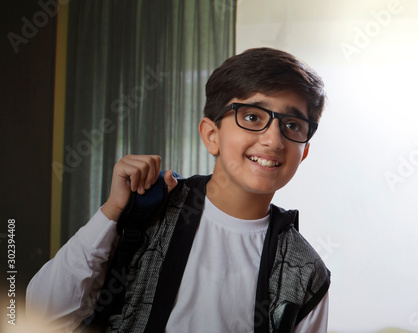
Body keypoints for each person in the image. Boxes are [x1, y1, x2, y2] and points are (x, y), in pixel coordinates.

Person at [27, 47, 330, 333]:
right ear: (212, 135)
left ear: (303, 152)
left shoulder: (306, 272)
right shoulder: (148, 210)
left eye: (292, 125)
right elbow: (44, 314)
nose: (274, 140)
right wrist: (112, 211)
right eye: (252, 117)